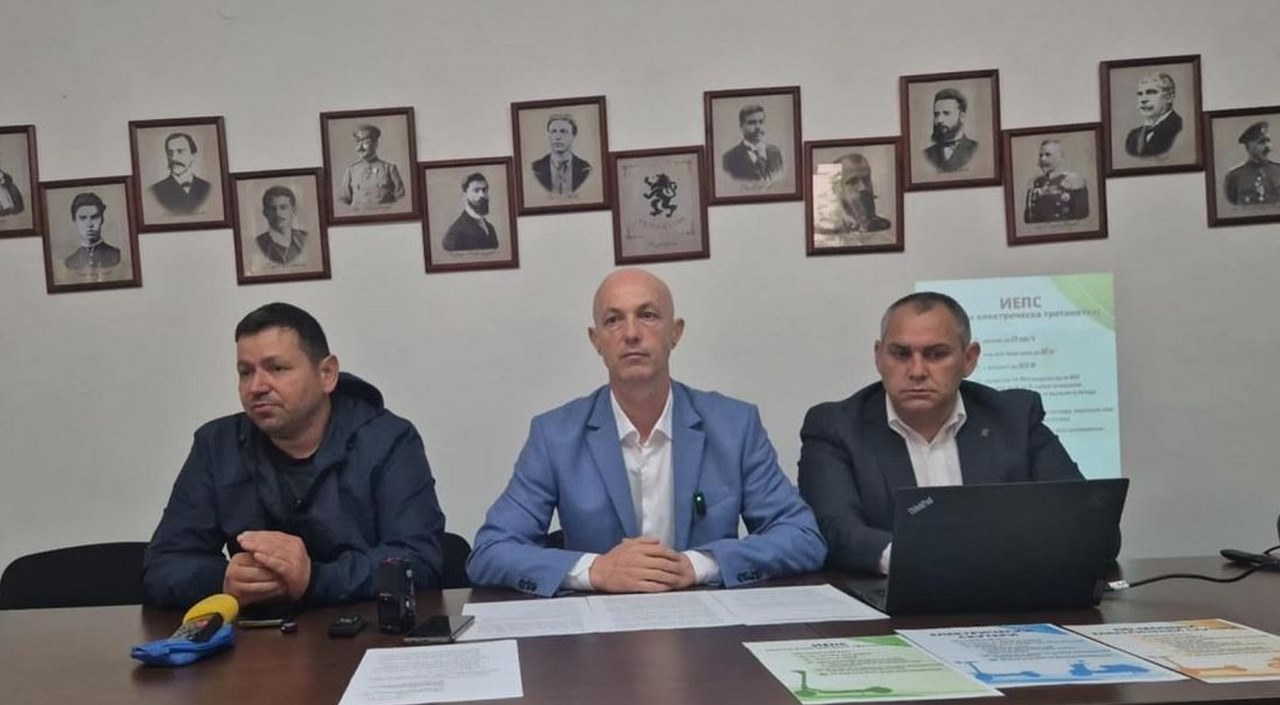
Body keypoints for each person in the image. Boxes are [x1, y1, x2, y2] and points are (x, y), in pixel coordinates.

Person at [467, 269, 825, 596]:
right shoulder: (555, 435)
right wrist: (595, 570)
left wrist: (697, 565)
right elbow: (490, 551)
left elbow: (802, 536)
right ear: (596, 340)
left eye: (648, 315)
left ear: (675, 332)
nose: (631, 333)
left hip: (709, 625)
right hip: (599, 629)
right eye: (613, 320)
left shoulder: (734, 425)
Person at [142, 303, 446, 610]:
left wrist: (314, 578)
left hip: (364, 630)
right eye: (245, 372)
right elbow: (162, 565)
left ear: (327, 374)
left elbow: (419, 562)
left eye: (277, 368)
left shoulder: (389, 440)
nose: (256, 387)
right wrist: (222, 579)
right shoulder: (216, 445)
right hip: (255, 634)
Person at [797, 292, 1082, 575]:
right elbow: (836, 529)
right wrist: (928, 562)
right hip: (893, 593)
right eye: (901, 354)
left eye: (936, 354)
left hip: (1009, 588)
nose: (917, 371)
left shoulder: (1014, 417)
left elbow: (1081, 515)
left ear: (969, 359)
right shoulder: (837, 427)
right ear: (879, 357)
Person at [816, 153, 892, 237]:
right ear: (835, 188)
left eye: (866, 179)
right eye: (853, 182)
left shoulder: (883, 227)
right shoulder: (825, 231)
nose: (863, 188)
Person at [338, 124, 406, 209]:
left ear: (375, 144)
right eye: (357, 142)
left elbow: (401, 200)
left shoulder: (389, 169)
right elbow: (343, 200)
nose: (360, 147)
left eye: (365, 142)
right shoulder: (351, 170)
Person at [1024, 139, 1090, 222]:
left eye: (1048, 155)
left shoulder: (1074, 182)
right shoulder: (1036, 183)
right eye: (1040, 155)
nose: (1043, 159)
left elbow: (1081, 218)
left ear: (1060, 157)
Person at [150, 132, 213, 214]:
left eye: (180, 151)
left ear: (193, 156)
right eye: (170, 153)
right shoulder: (155, 191)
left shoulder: (207, 188)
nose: (174, 158)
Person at [531, 113, 592, 195]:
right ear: (549, 135)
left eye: (563, 132)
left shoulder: (586, 169)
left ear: (573, 136)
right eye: (553, 131)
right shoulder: (535, 169)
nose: (558, 137)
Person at [1124, 73, 1183, 158]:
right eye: (1140, 94)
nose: (1143, 100)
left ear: (1169, 97)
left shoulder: (1180, 128)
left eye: (1151, 92)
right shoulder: (1133, 136)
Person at [721, 104, 784, 182]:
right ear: (741, 127)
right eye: (751, 123)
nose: (758, 127)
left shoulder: (775, 152)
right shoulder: (730, 158)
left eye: (761, 122)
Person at [1224, 121, 1280, 206]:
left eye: (1268, 141)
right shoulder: (1234, 176)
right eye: (1261, 142)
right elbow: (1233, 202)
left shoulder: (1278, 170)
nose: (1267, 147)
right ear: (1248, 147)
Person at [923, 88, 978, 172]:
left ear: (961, 116)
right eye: (936, 114)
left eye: (946, 113)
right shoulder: (927, 154)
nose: (939, 120)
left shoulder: (975, 150)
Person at [62, 192, 121, 270]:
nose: (89, 224)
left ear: (102, 219)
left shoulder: (117, 256)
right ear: (75, 221)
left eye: (94, 217)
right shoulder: (70, 262)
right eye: (83, 218)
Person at [442, 172, 499, 251]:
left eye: (484, 190)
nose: (482, 195)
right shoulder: (455, 234)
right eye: (476, 190)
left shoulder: (490, 228)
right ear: (464, 195)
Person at [255, 185, 308, 265]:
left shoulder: (305, 238)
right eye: (273, 209)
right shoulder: (258, 244)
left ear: (293, 211)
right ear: (265, 213)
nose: (278, 214)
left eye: (283, 207)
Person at [0, 149, 24, 216]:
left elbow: (8, 178)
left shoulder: (3, 175)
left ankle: (7, 208)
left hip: (4, 189)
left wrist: (3, 182)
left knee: (8, 189)